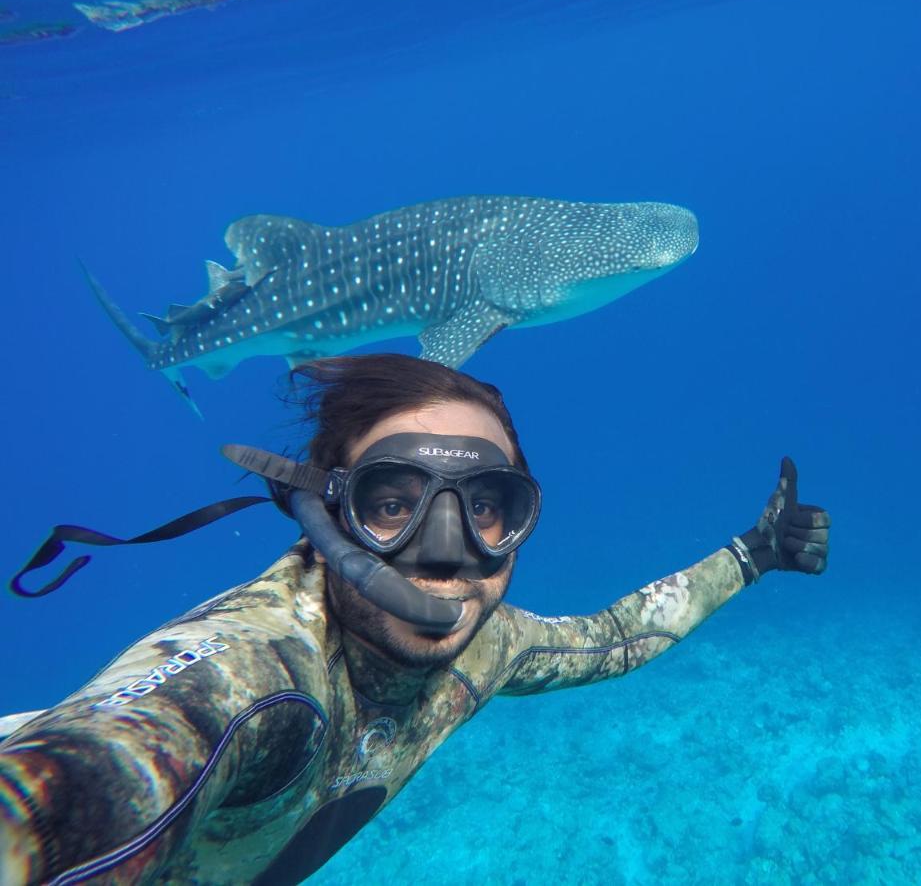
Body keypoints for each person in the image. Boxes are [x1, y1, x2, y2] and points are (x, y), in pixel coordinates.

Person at [0, 354, 830, 884]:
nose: (446, 554)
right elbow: (86, 774)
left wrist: (752, 554)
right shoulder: (257, 674)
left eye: (486, 506)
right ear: (324, 514)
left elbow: (616, 639)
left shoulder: (492, 643)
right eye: (391, 503)